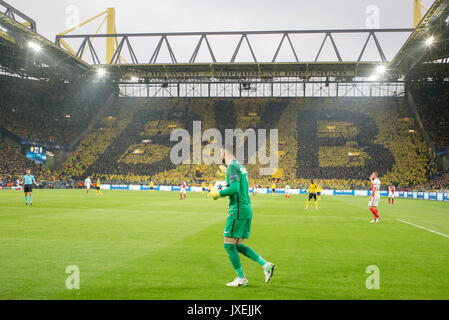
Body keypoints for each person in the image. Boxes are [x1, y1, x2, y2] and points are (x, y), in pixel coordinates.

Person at [209, 144, 275, 287]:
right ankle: (266, 265)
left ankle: (241, 278)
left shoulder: (232, 166)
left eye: (220, 153)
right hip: (246, 209)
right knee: (237, 245)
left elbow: (234, 188)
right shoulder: (240, 166)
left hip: (237, 211)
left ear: (225, 153)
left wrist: (217, 193)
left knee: (228, 245)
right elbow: (237, 185)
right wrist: (226, 180)